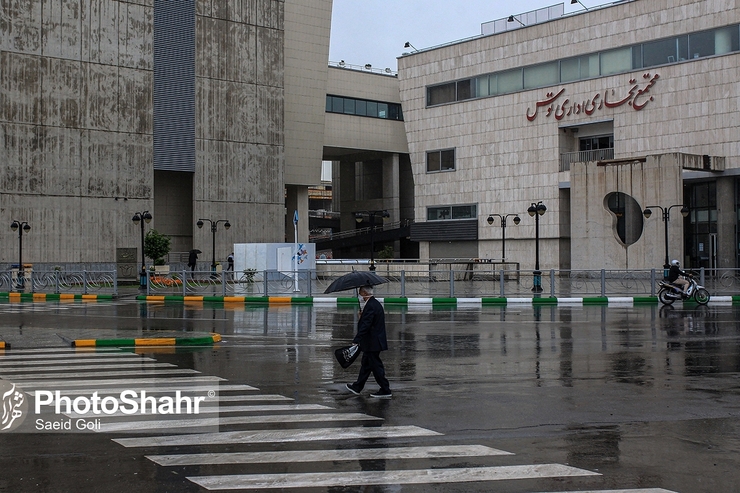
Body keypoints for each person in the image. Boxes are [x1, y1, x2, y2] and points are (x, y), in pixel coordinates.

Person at [345, 285, 392, 398]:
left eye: (361, 293)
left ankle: (385, 389)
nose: (360, 295)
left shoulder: (371, 306)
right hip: (372, 341)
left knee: (376, 366)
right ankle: (357, 387)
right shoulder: (373, 304)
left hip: (373, 342)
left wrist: (357, 339)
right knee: (366, 365)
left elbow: (366, 325)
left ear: (365, 293)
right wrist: (362, 316)